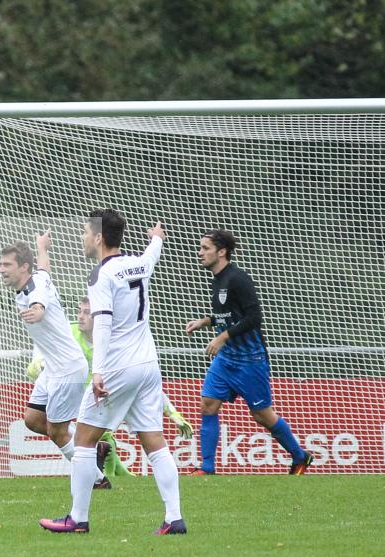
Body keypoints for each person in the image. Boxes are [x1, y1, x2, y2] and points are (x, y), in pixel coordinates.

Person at [40, 210, 185, 535]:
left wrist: (98, 371)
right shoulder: (137, 263)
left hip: (118, 367)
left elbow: (102, 323)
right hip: (148, 365)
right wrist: (157, 238)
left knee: (83, 439)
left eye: (85, 232)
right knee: (154, 441)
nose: (82, 238)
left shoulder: (101, 275)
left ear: (99, 237)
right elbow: (152, 256)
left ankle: (77, 518)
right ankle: (174, 518)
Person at [186, 229, 312, 475]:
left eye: (205, 248)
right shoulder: (217, 280)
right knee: (208, 404)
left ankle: (300, 456)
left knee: (261, 415)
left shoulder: (238, 279)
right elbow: (229, 316)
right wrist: (205, 322)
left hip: (249, 360)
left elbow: (254, 317)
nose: (200, 253)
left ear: (221, 252)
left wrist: (222, 337)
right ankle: (207, 468)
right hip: (227, 359)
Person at [27, 296, 195, 480]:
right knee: (34, 421)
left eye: (86, 313)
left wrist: (172, 412)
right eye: (79, 311)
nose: (80, 317)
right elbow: (44, 338)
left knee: (99, 431)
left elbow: (144, 381)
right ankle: (108, 467)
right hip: (71, 388)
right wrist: (39, 358)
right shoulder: (70, 332)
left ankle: (106, 476)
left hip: (101, 391)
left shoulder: (114, 344)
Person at [0, 232, 88, 466]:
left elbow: (38, 303)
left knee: (57, 433)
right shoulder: (38, 276)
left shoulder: (33, 291)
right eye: (1, 264)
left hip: (67, 368)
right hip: (53, 368)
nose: (1, 269)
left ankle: (95, 476)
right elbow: (45, 269)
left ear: (23, 267)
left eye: (7, 264)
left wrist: (37, 310)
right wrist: (42, 248)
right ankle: (91, 447)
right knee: (33, 419)